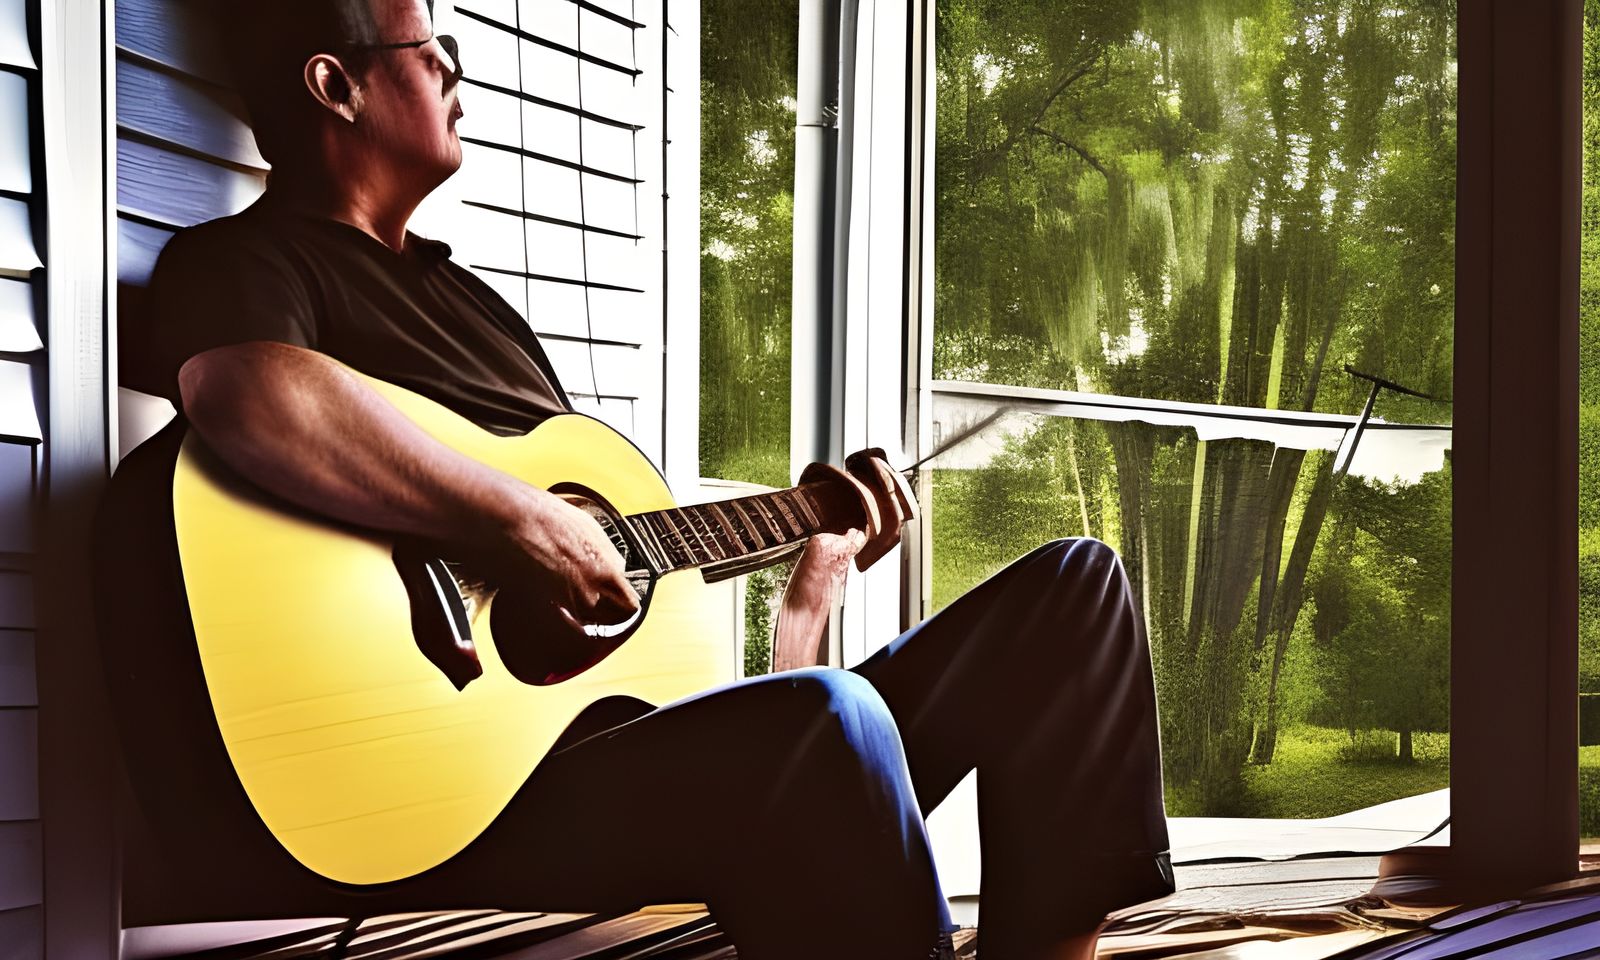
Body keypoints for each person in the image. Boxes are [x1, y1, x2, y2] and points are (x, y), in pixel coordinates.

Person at [98, 1, 1176, 957]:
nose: (458, 75)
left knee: (1072, 593)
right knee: (820, 720)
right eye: (436, 51)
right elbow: (253, 397)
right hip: (443, 800)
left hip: (609, 765)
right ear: (336, 85)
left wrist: (809, 585)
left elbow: (649, 664)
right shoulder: (247, 262)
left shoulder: (480, 314)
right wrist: (521, 517)